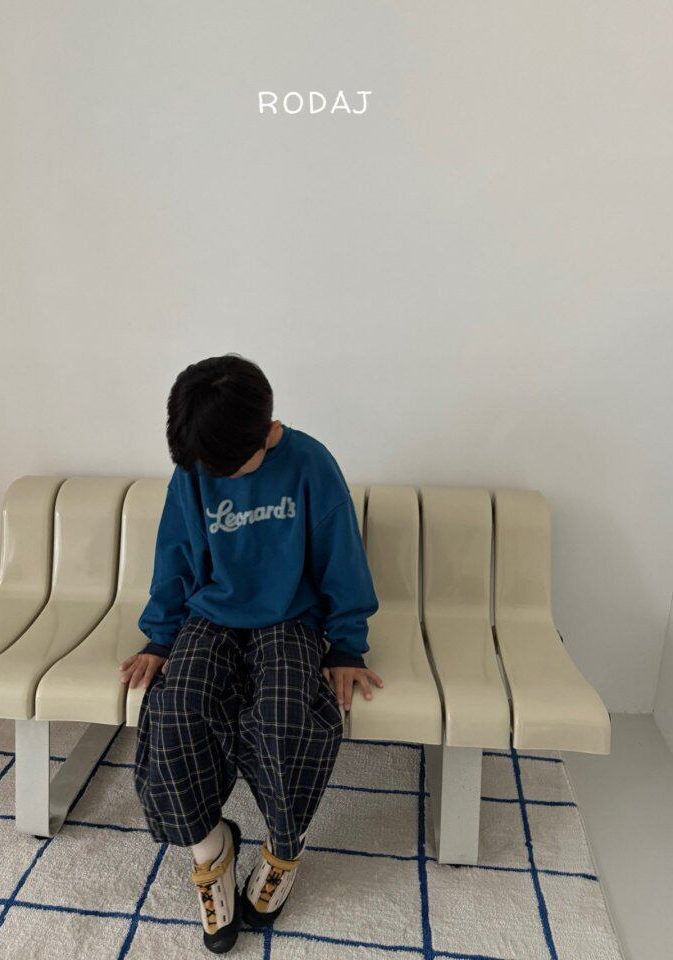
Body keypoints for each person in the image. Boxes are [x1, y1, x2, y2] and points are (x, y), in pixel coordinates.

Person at [120, 353, 383, 954]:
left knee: (288, 715)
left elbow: (342, 557)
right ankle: (210, 846)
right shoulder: (195, 467)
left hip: (290, 616)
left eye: (230, 468)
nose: (218, 477)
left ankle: (284, 847)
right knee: (174, 708)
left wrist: (346, 644)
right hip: (210, 615)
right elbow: (175, 555)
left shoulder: (311, 465)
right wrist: (160, 635)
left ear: (269, 431)